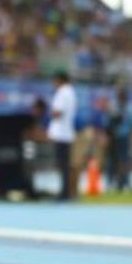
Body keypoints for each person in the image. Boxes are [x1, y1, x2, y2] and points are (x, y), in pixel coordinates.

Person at [47, 70, 77, 201]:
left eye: (55, 81)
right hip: (67, 133)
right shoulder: (71, 92)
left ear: (60, 80)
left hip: (61, 133)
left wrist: (50, 114)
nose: (53, 84)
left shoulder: (62, 92)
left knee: (62, 165)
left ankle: (64, 192)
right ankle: (66, 191)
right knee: (65, 165)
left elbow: (58, 112)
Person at [105, 88, 132, 191]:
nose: (121, 97)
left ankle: (124, 181)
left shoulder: (130, 108)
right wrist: (107, 136)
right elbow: (107, 123)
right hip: (113, 137)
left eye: (122, 95)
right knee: (111, 160)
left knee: (124, 160)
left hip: (124, 137)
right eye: (119, 95)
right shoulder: (113, 106)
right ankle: (110, 182)